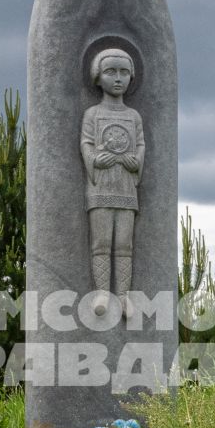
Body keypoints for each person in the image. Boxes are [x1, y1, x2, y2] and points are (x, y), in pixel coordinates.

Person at [80, 47, 142, 298]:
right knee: (101, 243)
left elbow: (140, 144)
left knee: (125, 245)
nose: (118, 78)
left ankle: (124, 296)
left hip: (126, 188)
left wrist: (135, 161)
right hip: (101, 187)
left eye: (124, 72)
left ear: (131, 77)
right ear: (97, 76)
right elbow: (86, 142)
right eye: (111, 71)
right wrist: (95, 159)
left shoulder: (133, 116)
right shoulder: (92, 114)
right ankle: (103, 293)